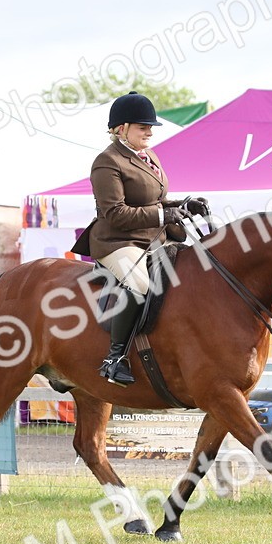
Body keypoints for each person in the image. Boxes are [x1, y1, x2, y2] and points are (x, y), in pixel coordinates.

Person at [70, 91, 207, 386]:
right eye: (142, 126)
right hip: (118, 242)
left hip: (153, 238)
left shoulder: (148, 156)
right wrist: (162, 216)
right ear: (121, 129)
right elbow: (116, 213)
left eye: (151, 126)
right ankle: (114, 358)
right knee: (139, 285)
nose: (149, 131)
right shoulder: (106, 162)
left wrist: (182, 206)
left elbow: (157, 198)